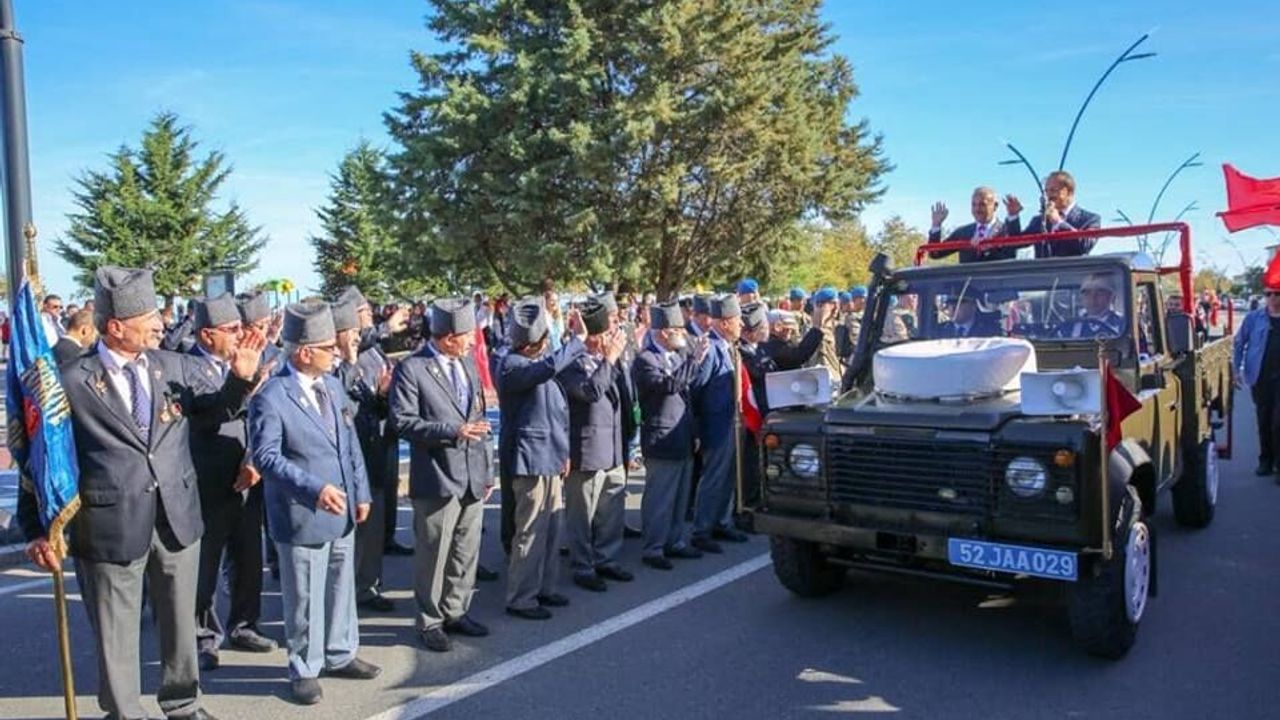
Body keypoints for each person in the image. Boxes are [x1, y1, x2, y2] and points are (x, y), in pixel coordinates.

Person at [22, 266, 266, 720]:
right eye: (149, 317)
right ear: (116, 327)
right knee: (115, 633)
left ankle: (183, 702)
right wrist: (36, 528)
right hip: (109, 524)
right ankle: (124, 712)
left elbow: (215, 413)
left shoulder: (172, 367)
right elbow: (42, 458)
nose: (159, 324)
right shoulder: (71, 380)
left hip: (176, 516)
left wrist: (240, 380)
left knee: (179, 622)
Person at [249, 302, 380, 705]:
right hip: (303, 511)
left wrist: (361, 491)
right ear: (304, 352)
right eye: (328, 348)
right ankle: (304, 666)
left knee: (341, 583)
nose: (335, 353)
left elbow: (349, 443)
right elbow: (266, 457)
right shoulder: (272, 397)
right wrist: (313, 489)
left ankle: (340, 651)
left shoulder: (333, 387)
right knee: (304, 595)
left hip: (342, 506)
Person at [391, 298, 493, 652]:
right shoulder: (412, 368)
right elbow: (403, 421)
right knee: (433, 553)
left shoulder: (468, 364)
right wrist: (452, 431)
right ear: (448, 337)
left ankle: (456, 610)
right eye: (467, 336)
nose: (473, 342)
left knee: (466, 549)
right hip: (437, 476)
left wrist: (487, 470)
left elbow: (480, 419)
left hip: (472, 473)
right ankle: (430, 619)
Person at [189, 294, 277, 673]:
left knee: (248, 557)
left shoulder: (246, 362)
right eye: (232, 329)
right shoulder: (188, 367)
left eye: (242, 327)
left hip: (247, 474)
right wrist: (243, 382)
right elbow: (208, 416)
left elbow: (263, 417)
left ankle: (245, 624)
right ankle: (202, 636)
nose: (241, 335)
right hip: (207, 480)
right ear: (206, 335)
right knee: (205, 566)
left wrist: (255, 459)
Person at [498, 298, 586, 619]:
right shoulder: (511, 364)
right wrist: (577, 341)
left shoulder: (538, 362)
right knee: (531, 531)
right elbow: (546, 369)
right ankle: (521, 597)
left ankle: (544, 587)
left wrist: (564, 453)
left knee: (551, 529)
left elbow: (557, 413)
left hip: (551, 454)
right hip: (530, 460)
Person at [560, 295, 635, 591]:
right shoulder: (571, 362)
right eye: (605, 333)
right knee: (582, 514)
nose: (610, 338)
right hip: (587, 450)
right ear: (591, 336)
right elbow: (591, 392)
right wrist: (610, 359)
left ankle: (607, 558)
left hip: (613, 444)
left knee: (612, 508)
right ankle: (583, 565)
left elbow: (624, 397)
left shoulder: (609, 360)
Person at [331, 293, 400, 613]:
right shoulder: (332, 364)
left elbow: (370, 404)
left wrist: (383, 394)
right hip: (345, 460)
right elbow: (337, 396)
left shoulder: (367, 356)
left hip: (371, 452)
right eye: (351, 331)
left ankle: (367, 586)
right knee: (350, 536)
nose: (357, 336)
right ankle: (347, 591)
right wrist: (348, 360)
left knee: (371, 530)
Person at [632, 300, 709, 570]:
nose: (683, 334)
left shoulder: (677, 356)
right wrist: (694, 360)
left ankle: (674, 541)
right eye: (678, 329)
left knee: (679, 496)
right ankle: (653, 547)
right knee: (660, 498)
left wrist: (694, 432)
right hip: (661, 438)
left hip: (683, 435)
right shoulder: (646, 360)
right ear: (664, 332)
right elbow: (669, 386)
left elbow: (687, 398)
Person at [689, 295, 752, 553]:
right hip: (715, 424)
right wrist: (697, 430)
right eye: (738, 320)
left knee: (728, 475)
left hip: (731, 421)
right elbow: (696, 390)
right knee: (714, 477)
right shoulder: (711, 349)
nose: (742, 325)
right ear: (725, 323)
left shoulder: (729, 347)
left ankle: (722, 521)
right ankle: (702, 529)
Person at [1233, 272, 1280, 480]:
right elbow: (1239, 343)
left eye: (1277, 294)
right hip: (1260, 376)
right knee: (1264, 419)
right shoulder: (1254, 318)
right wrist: (1236, 370)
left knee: (1278, 422)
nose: (1273, 298)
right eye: (1269, 294)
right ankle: (1266, 461)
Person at [1009, 170, 1102, 258]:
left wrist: (1058, 222)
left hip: (1072, 269)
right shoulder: (1039, 220)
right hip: (1043, 269)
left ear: (1069, 192)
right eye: (1046, 191)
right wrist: (1013, 216)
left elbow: (1084, 246)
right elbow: (1016, 243)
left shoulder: (1090, 219)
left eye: (1053, 190)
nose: (1049, 195)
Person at [927, 186, 1022, 263]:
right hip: (968, 281)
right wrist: (936, 225)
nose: (977, 209)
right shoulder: (962, 232)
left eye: (982, 204)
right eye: (974, 205)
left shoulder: (1006, 230)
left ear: (995, 206)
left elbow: (1010, 256)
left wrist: (986, 248)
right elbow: (935, 253)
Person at [1054, 273, 1125, 339]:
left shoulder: (1123, 324)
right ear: (1081, 297)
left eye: (1100, 293)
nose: (1092, 298)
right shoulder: (1069, 327)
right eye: (1087, 293)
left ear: (1111, 297)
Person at [804, 287, 843, 385]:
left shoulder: (838, 327)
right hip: (821, 376)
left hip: (835, 374)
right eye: (832, 304)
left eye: (836, 303)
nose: (836, 307)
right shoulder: (814, 329)